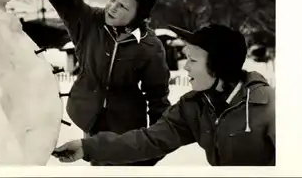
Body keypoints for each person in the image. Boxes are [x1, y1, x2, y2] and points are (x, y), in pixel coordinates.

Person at [24, 0, 172, 166]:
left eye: (122, 6)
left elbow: (158, 98)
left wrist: (154, 145)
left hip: (126, 129)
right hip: (89, 119)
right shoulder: (90, 22)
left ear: (139, 14)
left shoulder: (150, 47)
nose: (112, 8)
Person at [52, 23, 276, 166]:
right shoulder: (193, 107)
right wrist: (87, 147)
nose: (186, 67)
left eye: (193, 60)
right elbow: (148, 140)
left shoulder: (269, 107)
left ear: (219, 67)